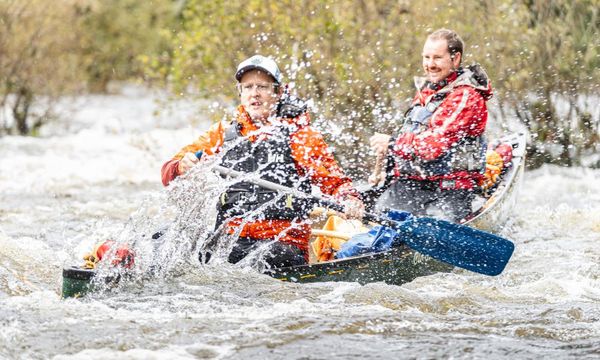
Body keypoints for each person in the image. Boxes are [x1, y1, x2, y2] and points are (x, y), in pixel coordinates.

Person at [161, 55, 364, 268]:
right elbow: (168, 172)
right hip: (229, 237)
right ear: (240, 93)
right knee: (166, 241)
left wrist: (350, 199)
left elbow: (336, 184)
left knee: (257, 260)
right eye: (248, 87)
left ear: (278, 92)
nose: (254, 94)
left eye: (262, 86)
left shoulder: (300, 136)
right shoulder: (222, 133)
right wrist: (181, 166)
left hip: (281, 242)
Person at [369, 29, 492, 222]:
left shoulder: (467, 97)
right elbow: (412, 136)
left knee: (431, 230)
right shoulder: (427, 92)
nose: (430, 65)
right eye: (426, 57)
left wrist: (392, 144)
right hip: (412, 185)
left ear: (455, 58)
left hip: (450, 190)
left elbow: (433, 146)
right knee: (376, 222)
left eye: (437, 58)